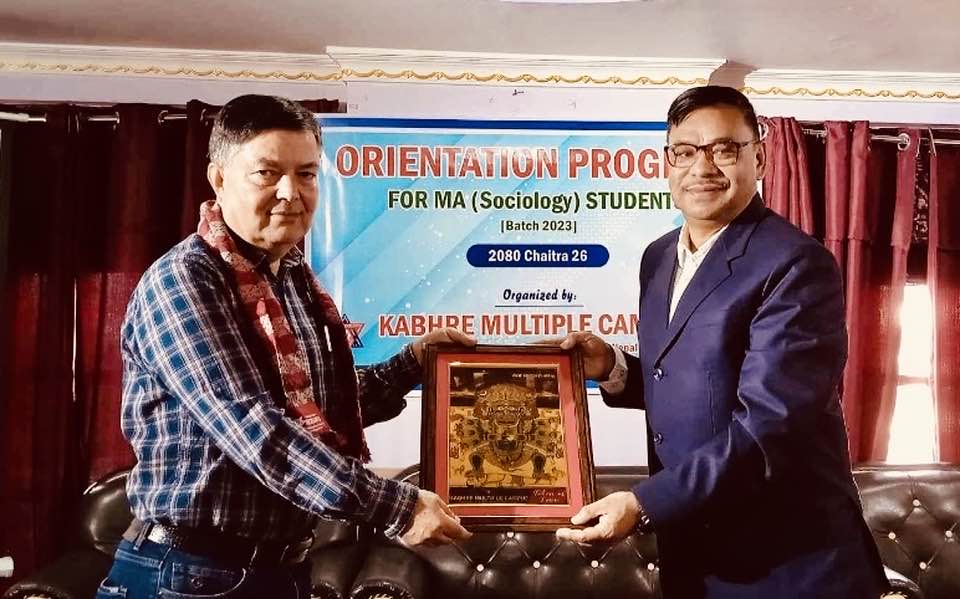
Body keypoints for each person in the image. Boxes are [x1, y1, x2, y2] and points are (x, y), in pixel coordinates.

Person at [96, 94, 473, 599]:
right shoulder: (184, 280)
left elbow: (320, 411)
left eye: (307, 174)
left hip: (281, 569)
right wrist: (397, 507)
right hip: (188, 572)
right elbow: (256, 430)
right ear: (219, 179)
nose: (290, 193)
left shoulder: (292, 279)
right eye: (267, 173)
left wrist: (414, 362)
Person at [555, 86, 888, 598]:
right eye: (685, 151)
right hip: (695, 555)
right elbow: (695, 383)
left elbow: (770, 423)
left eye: (724, 149)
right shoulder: (658, 257)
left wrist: (643, 503)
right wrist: (612, 367)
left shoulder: (796, 263)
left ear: (761, 158)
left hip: (790, 563)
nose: (702, 168)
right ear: (668, 161)